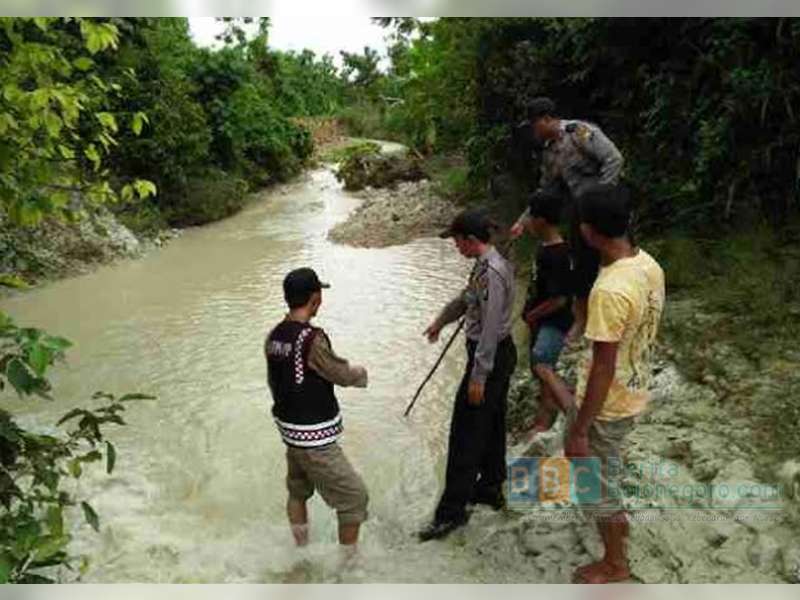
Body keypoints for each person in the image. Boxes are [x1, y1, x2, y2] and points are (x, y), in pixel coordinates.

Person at [536, 184, 665, 584]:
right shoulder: (647, 265)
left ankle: (615, 563)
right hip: (634, 390)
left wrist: (578, 428)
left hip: (608, 402)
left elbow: (603, 368)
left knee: (593, 478)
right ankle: (618, 526)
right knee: (604, 468)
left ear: (589, 231)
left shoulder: (609, 290)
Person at [418, 209, 517, 542]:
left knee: (464, 433)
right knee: (491, 423)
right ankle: (490, 487)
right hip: (495, 356)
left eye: (457, 241)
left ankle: (451, 514)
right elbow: (466, 301)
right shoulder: (484, 266)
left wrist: (478, 377)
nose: (455, 247)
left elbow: (488, 330)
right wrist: (439, 322)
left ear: (470, 240)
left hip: (489, 357)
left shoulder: (492, 272)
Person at [265, 267, 370, 553]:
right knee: (355, 498)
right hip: (314, 440)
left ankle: (301, 551)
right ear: (315, 298)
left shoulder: (274, 335)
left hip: (291, 435)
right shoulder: (311, 338)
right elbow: (339, 373)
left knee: (298, 492)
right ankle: (348, 567)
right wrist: (361, 373)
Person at [509, 97, 624, 343]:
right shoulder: (549, 151)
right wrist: (523, 220)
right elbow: (546, 190)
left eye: (533, 125)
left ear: (547, 119)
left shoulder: (579, 132)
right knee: (581, 266)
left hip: (606, 206)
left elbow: (614, 160)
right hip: (579, 212)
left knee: (616, 259)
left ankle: (622, 310)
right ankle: (582, 320)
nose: (532, 132)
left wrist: (603, 198)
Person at [520, 185, 574, 433]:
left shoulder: (558, 254)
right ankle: (544, 419)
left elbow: (559, 299)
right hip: (542, 320)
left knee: (542, 364)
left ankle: (573, 417)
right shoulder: (544, 247)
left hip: (554, 321)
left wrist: (532, 315)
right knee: (540, 370)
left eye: (529, 216)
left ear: (541, 220)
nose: (526, 221)